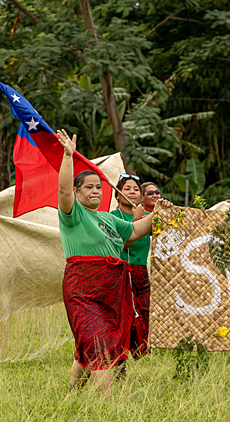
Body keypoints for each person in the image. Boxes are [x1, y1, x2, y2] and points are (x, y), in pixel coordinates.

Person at [56, 130, 167, 398]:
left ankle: (72, 394)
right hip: (84, 288)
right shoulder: (72, 214)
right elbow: (62, 190)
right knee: (98, 343)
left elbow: (136, 231)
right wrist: (68, 156)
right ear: (77, 191)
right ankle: (108, 406)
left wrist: (161, 212)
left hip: (113, 289)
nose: (95, 191)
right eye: (89, 187)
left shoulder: (108, 219)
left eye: (98, 187)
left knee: (93, 342)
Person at [109, 174, 152, 376]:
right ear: (117, 195)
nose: (132, 192)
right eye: (127, 189)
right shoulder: (112, 217)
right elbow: (120, 244)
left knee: (142, 319)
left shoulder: (148, 217)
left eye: (136, 189)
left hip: (140, 274)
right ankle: (118, 364)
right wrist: (135, 221)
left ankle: (125, 359)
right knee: (122, 320)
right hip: (119, 273)